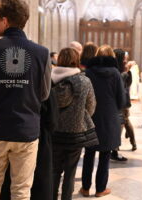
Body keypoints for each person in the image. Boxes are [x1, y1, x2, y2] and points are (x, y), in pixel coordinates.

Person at [0, 0, 51, 199]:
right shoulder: (42, 53)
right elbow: (44, 94)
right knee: (21, 191)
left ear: (5, 20)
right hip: (26, 128)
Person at [51, 48, 97, 200]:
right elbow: (91, 105)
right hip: (76, 133)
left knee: (54, 170)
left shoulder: (50, 79)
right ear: (76, 60)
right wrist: (80, 118)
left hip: (55, 132)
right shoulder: (84, 81)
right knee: (70, 172)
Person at [80, 45, 126, 197]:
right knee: (105, 155)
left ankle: (85, 188)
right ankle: (100, 189)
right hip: (109, 118)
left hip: (91, 117)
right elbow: (121, 99)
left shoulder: (88, 72)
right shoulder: (115, 73)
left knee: (89, 153)